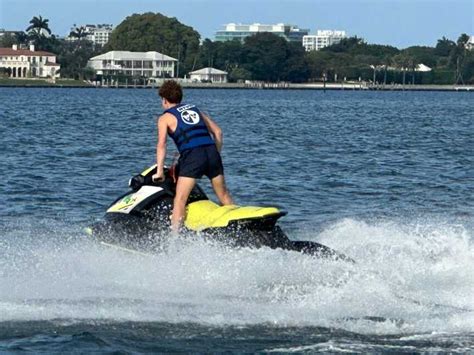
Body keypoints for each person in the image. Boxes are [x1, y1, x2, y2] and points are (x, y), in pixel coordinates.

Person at [152, 80, 233, 234]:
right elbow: (218, 132)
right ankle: (240, 230)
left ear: (164, 100)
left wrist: (160, 172)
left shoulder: (164, 118)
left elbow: (161, 145)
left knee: (180, 199)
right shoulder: (195, 109)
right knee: (224, 196)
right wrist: (215, 154)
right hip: (212, 153)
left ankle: (174, 241)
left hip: (193, 156)